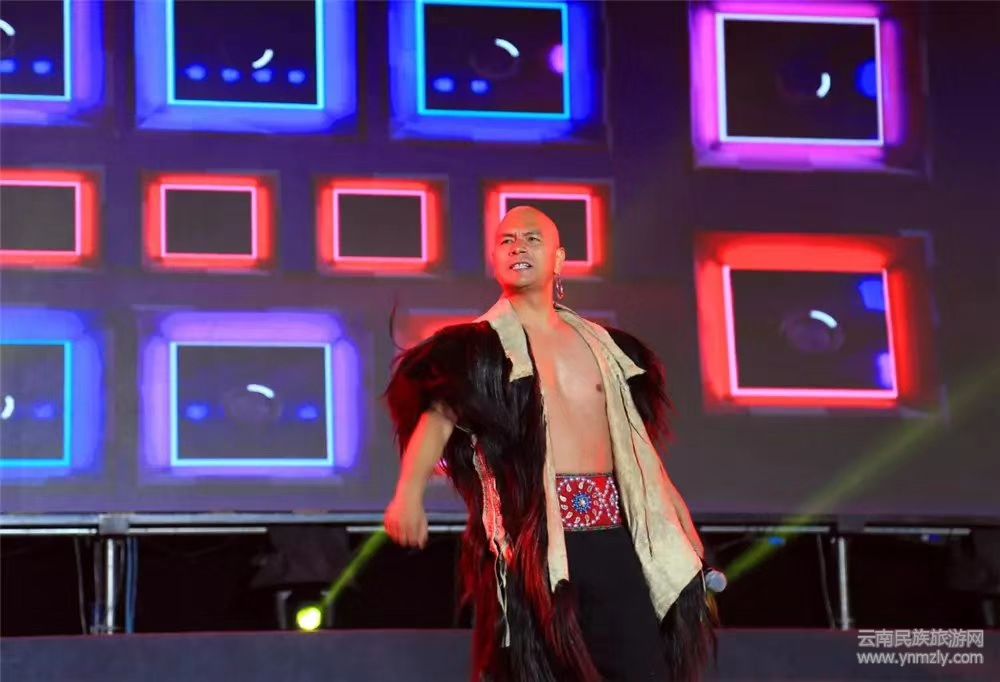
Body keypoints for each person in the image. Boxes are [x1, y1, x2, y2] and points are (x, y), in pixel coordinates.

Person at [383, 206, 716, 681]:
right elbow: (437, 420)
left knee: (641, 667)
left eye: (532, 238)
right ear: (495, 259)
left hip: (613, 534)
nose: (518, 246)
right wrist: (408, 493)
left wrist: (677, 515)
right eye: (507, 240)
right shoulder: (475, 350)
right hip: (532, 543)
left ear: (559, 259)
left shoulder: (604, 346)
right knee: (534, 668)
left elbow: (635, 443)